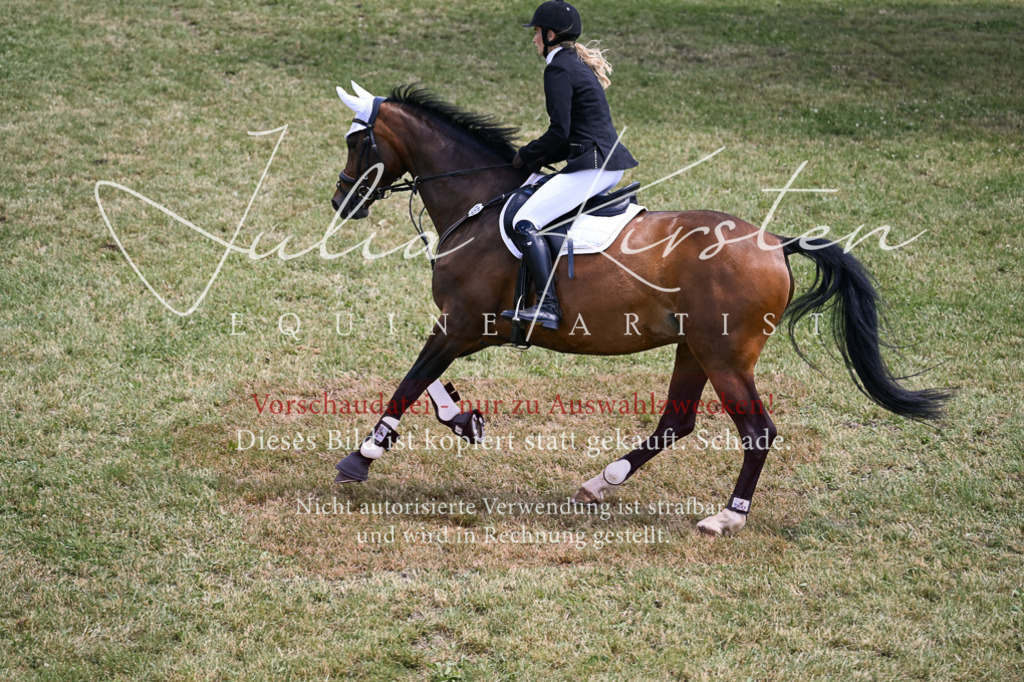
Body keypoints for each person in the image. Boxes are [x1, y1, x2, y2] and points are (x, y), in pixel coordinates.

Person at [501, 0, 638, 331]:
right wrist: (536, 159)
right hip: (600, 160)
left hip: (594, 165)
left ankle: (547, 305)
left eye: (536, 33)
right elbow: (566, 137)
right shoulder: (573, 63)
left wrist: (526, 155)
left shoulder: (558, 68)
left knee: (525, 220)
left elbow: (559, 132)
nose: (533, 40)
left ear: (549, 35)